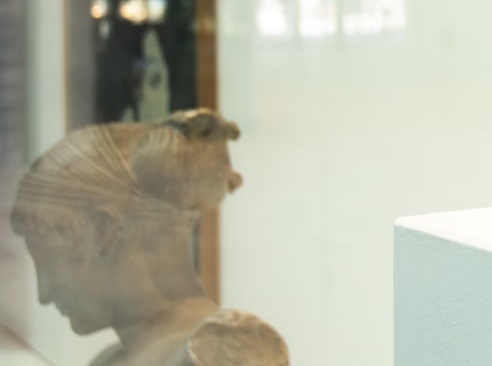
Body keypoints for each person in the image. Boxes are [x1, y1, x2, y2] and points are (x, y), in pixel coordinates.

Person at [10, 109, 289, 366]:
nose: (43, 295)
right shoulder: (109, 360)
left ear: (104, 231)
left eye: (47, 263)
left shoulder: (226, 352)